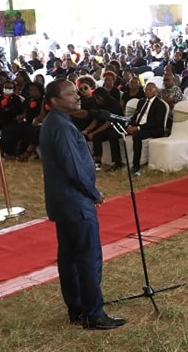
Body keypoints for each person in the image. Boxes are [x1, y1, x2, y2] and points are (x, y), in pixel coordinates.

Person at [40, 80, 126, 330]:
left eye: (77, 92)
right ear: (55, 100)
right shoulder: (61, 127)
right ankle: (93, 313)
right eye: (70, 93)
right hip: (75, 202)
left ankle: (77, 308)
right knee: (88, 257)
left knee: (69, 257)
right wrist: (93, 192)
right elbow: (74, 168)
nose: (77, 96)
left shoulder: (55, 122)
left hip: (64, 202)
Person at [125, 82, 169, 176]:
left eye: (150, 90)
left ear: (155, 91)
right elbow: (136, 115)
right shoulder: (141, 101)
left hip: (153, 128)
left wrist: (138, 128)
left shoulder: (160, 104)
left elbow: (156, 122)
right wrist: (130, 125)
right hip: (139, 126)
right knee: (115, 133)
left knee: (137, 136)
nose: (147, 92)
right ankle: (118, 162)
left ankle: (136, 165)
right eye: (146, 90)